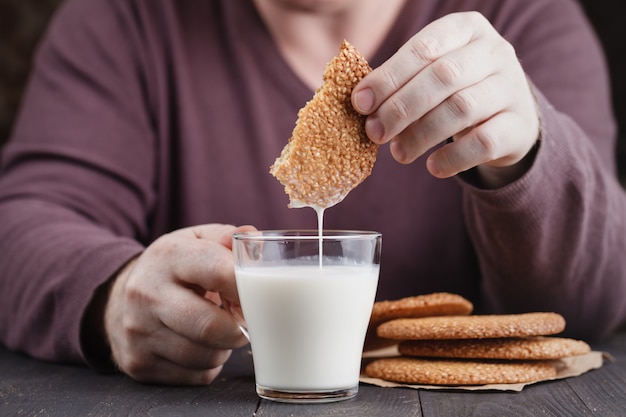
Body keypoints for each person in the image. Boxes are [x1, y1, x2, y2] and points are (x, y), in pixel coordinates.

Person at [1, 0, 625, 386]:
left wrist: (524, 158)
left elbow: (592, 305)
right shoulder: (125, 18)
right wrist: (112, 293)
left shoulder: (524, 18)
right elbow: (24, 224)